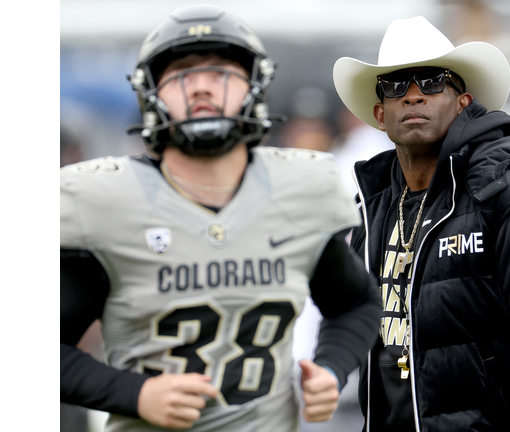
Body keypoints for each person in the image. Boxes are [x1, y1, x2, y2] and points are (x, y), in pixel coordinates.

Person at [60, 5, 381, 432]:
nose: (202, 88)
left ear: (254, 86)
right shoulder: (104, 200)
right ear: (151, 92)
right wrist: (133, 393)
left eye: (221, 72)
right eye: (182, 74)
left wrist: (332, 368)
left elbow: (355, 303)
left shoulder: (302, 187)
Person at [332, 16, 510, 432]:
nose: (413, 96)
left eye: (432, 82)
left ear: (463, 102)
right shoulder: (370, 209)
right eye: (397, 86)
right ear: (381, 113)